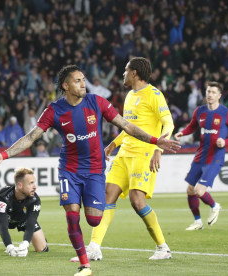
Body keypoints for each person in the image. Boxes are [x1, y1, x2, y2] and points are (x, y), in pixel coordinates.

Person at [0, 65, 180, 276]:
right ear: (66, 86)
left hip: (94, 170)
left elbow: (127, 126)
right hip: (69, 170)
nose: (83, 83)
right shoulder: (54, 110)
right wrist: (2, 156)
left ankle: (94, 239)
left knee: (94, 218)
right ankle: (85, 266)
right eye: (77, 80)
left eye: (83, 79)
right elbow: (31, 137)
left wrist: (155, 141)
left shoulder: (97, 102)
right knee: (72, 215)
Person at [75, 57, 175, 262]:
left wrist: (158, 149)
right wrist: (113, 144)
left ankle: (162, 247)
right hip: (124, 155)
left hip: (143, 154)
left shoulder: (154, 94)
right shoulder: (130, 95)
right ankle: (94, 248)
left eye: (125, 70)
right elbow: (129, 127)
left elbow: (169, 123)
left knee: (137, 202)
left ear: (135, 73)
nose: (123, 73)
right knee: (106, 196)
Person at [175, 82, 228, 230]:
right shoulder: (199, 111)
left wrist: (225, 141)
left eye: (213, 92)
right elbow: (192, 126)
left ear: (219, 95)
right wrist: (182, 132)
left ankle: (215, 205)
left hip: (215, 157)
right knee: (190, 190)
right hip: (200, 155)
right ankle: (198, 222)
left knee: (199, 191)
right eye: (208, 92)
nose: (210, 94)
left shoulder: (227, 113)